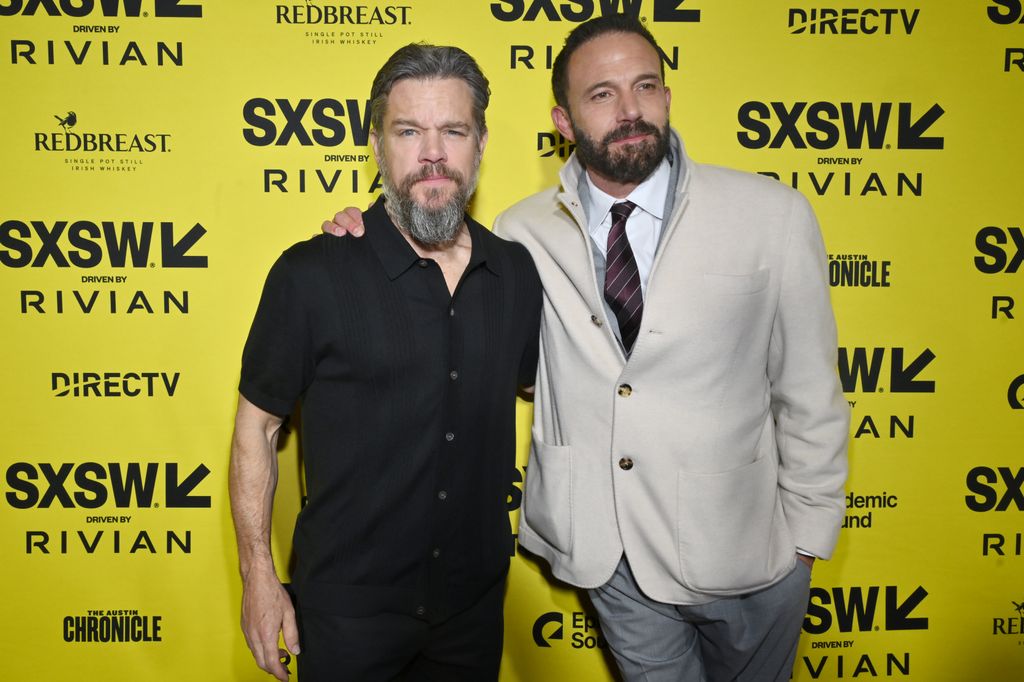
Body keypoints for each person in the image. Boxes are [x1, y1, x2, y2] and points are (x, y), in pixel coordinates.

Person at [324, 14, 849, 682]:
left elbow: (809, 390)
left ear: (666, 95)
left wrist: (804, 546)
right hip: (612, 561)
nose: (630, 110)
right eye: (602, 95)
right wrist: (360, 240)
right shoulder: (519, 233)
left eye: (646, 87)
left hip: (750, 555)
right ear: (564, 121)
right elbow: (452, 309)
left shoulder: (770, 213)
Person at [230, 43, 541, 681]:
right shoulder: (311, 274)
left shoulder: (516, 273)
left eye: (453, 131)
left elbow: (559, 395)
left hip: (472, 612)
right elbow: (255, 428)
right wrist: (258, 576)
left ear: (480, 144)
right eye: (409, 131)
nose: (433, 153)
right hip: (345, 615)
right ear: (377, 146)